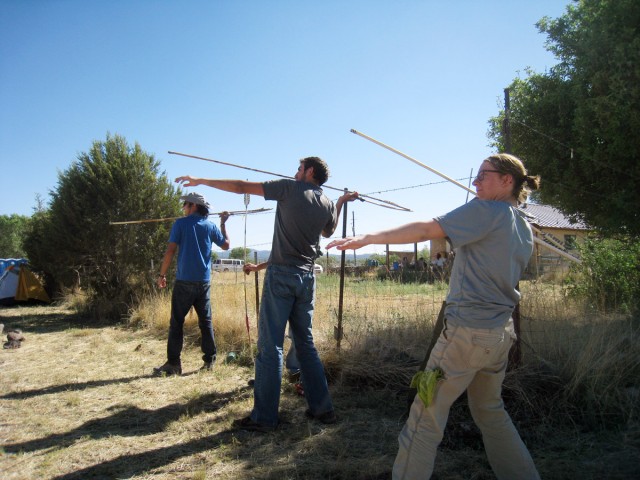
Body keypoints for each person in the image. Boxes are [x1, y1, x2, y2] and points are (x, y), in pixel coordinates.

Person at [327, 153, 541, 479]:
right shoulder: (523, 226)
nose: (475, 182)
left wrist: (368, 239)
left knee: (425, 418)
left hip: (465, 335)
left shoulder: (488, 210)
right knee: (490, 411)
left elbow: (429, 228)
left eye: (484, 175)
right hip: (499, 336)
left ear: (507, 180)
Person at [175, 156, 359, 432]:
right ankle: (323, 410)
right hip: (307, 279)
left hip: (282, 275)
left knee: (270, 346)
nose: (295, 172)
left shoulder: (289, 188)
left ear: (309, 171)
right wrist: (341, 202)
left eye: (299, 169)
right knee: (305, 345)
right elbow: (329, 229)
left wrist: (203, 181)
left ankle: (264, 417)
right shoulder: (327, 203)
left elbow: (241, 186)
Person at [153, 192, 230, 376]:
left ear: (193, 206)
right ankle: (210, 361)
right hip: (203, 283)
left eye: (185, 205)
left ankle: (173, 364)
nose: (183, 208)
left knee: (176, 323)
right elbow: (226, 245)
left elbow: (170, 251)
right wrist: (223, 223)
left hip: (184, 282)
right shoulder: (210, 226)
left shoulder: (180, 224)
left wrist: (161, 274)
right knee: (206, 322)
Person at [243, 261, 305, 396]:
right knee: (296, 336)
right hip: (302, 278)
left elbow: (280, 255)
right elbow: (278, 255)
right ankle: (277, 375)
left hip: (285, 279)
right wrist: (258, 267)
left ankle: (290, 374)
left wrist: (258, 267)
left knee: (273, 335)